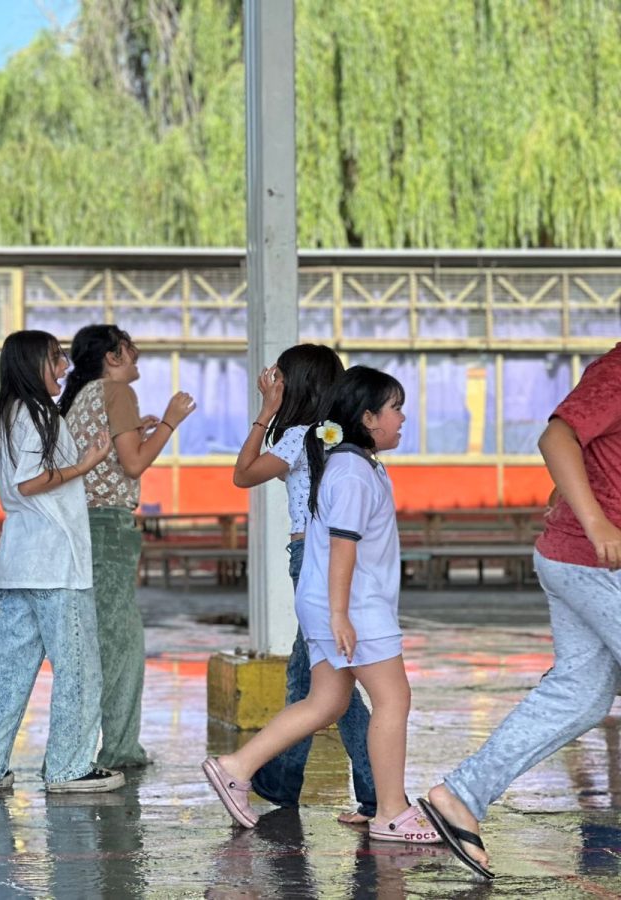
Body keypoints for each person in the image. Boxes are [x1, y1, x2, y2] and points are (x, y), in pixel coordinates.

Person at [202, 366, 440, 845]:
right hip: (353, 606)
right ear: (368, 418)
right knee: (395, 699)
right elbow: (342, 546)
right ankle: (391, 811)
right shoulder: (351, 470)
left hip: (337, 603)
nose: (402, 418)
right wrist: (339, 615)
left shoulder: (354, 463)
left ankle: (236, 766)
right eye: (395, 409)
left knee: (325, 701)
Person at [421, 339, 621, 880]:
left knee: (580, 696)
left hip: (577, 560)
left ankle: (461, 795)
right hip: (594, 561)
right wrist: (596, 519)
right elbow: (557, 437)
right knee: (579, 694)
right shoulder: (619, 370)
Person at [0, 329, 122, 796]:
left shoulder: (14, 412)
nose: (64, 367)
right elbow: (32, 482)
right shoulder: (37, 413)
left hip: (21, 564)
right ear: (33, 364)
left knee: (7, 669)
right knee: (77, 668)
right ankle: (70, 767)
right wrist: (87, 463)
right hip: (54, 563)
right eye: (55, 358)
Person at [231, 344, 376, 824]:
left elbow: (243, 474)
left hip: (310, 561)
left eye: (281, 379)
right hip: (346, 558)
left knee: (335, 683)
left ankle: (375, 792)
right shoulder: (343, 437)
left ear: (295, 386)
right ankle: (281, 782)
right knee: (308, 676)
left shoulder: (298, 436)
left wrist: (264, 411)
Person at [59, 324, 196, 769]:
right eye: (130, 349)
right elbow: (133, 464)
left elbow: (116, 453)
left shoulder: (82, 397)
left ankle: (98, 745)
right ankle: (118, 748)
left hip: (81, 526)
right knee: (120, 644)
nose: (136, 356)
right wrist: (172, 421)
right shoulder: (117, 392)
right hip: (108, 528)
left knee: (99, 640)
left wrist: (139, 428)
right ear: (114, 355)